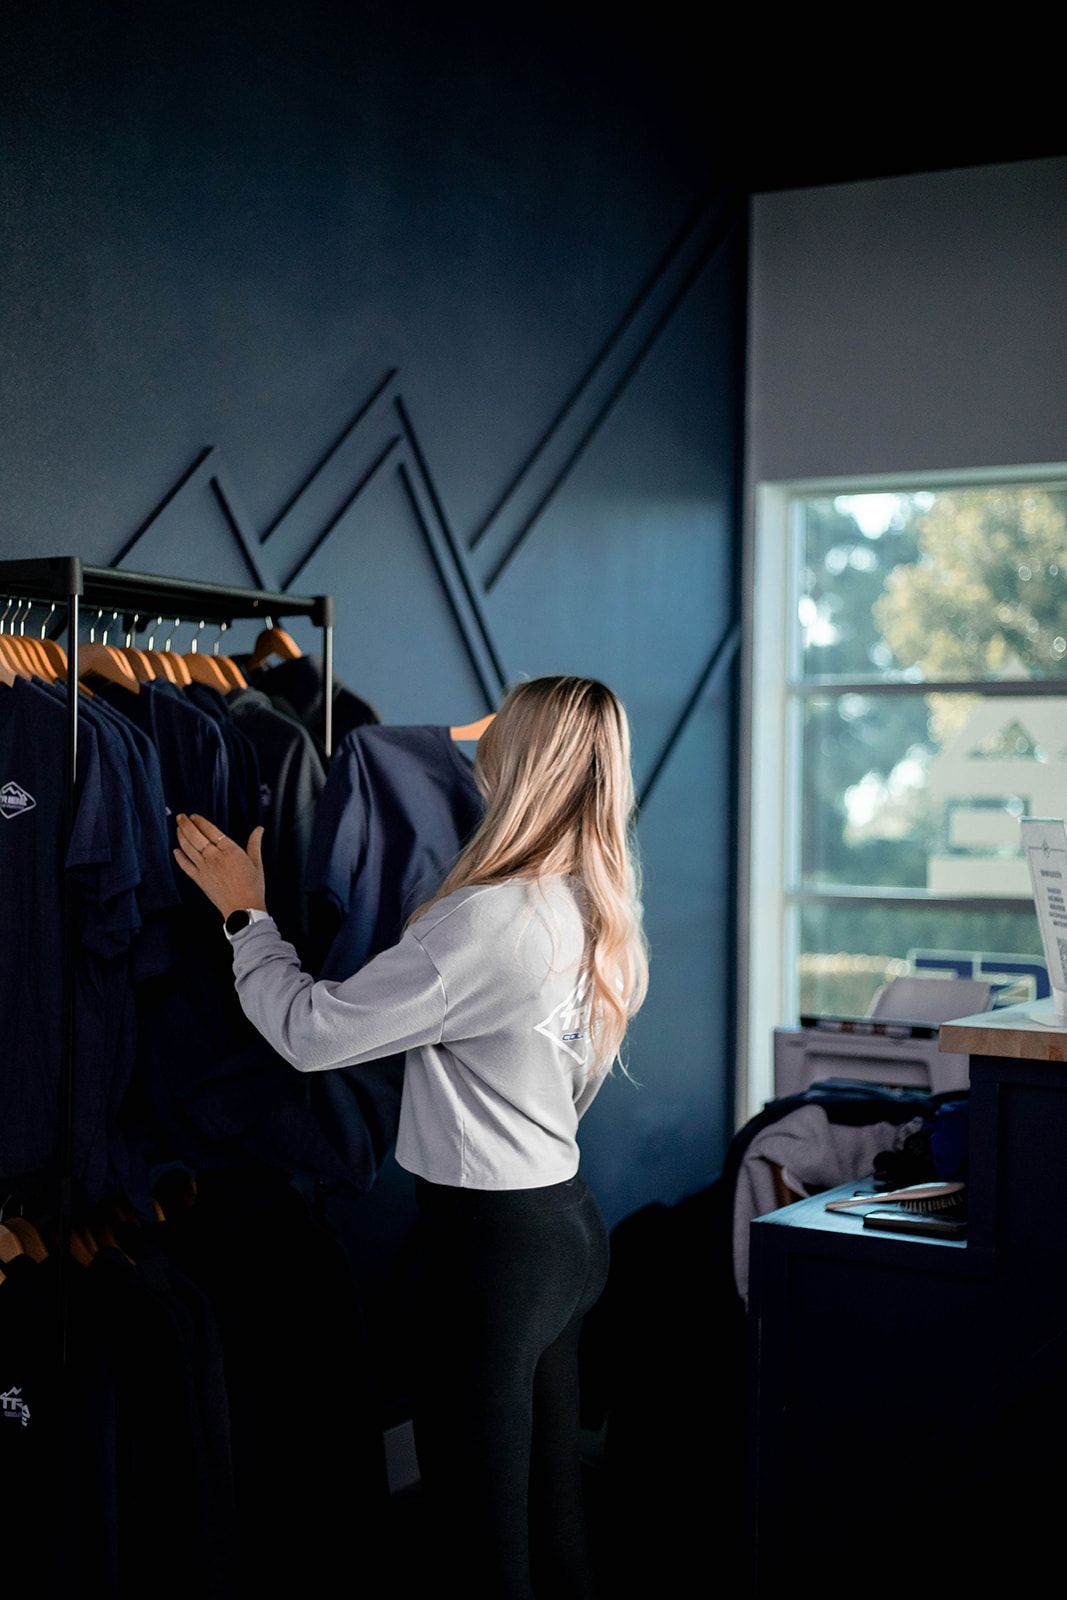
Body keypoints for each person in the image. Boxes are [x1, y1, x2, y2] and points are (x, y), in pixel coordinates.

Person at [172, 674, 650, 1600]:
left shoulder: (489, 919)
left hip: (491, 1257)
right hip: (564, 1229)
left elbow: (312, 1033)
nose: (479, 753)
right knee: (553, 1531)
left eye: (495, 740)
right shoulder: (593, 901)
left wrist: (246, 916)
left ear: (520, 759)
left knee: (478, 1548)